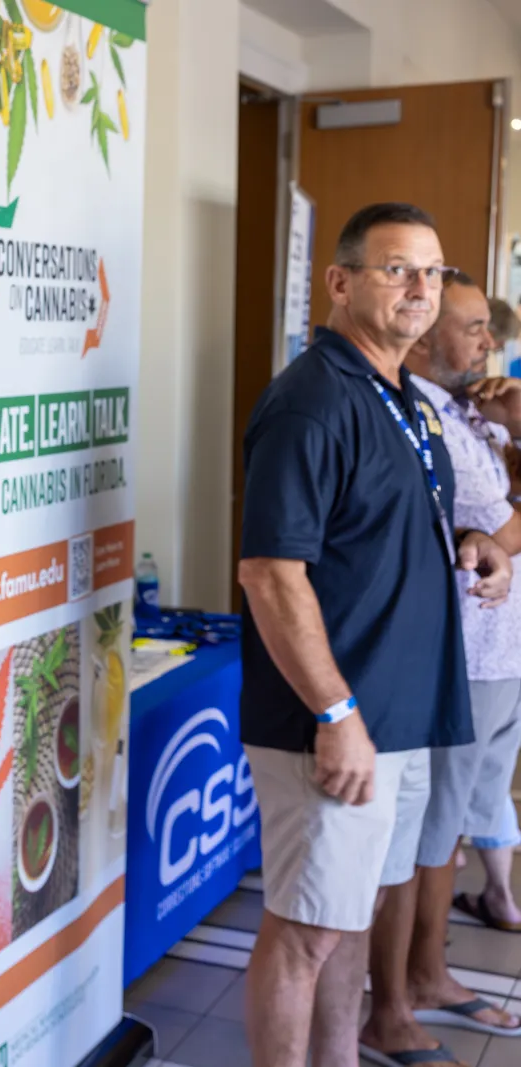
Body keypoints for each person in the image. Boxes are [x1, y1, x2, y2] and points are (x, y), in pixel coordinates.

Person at [238, 202, 512, 1067]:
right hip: (338, 721)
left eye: (432, 271)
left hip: (395, 716)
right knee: (306, 932)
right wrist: (337, 711)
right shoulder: (312, 401)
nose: (419, 288)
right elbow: (271, 574)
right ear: (341, 281)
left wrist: (472, 548)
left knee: (347, 919)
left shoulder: (403, 399)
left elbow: (382, 534)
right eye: (397, 268)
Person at [358, 273, 521, 1067]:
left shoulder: (470, 412)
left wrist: (514, 426)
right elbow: (490, 535)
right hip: (457, 656)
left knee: (450, 823)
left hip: (498, 653)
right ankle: (408, 984)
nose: (489, 342)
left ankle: (428, 972)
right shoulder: (418, 416)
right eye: (475, 327)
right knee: (429, 830)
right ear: (424, 342)